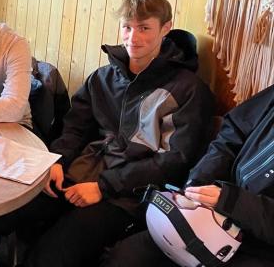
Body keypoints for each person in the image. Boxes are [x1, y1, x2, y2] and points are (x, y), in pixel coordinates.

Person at [9, 0, 216, 267]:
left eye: (144, 28)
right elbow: (74, 128)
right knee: (12, 210)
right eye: (127, 27)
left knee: (54, 251)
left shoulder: (188, 90)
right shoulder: (103, 77)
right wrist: (56, 160)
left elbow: (173, 161)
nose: (133, 37)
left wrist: (103, 187)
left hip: (131, 195)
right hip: (80, 173)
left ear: (165, 28)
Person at [103, 84, 274, 267]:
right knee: (124, 257)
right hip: (209, 208)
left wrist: (232, 201)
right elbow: (233, 131)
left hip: (257, 245)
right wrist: (199, 181)